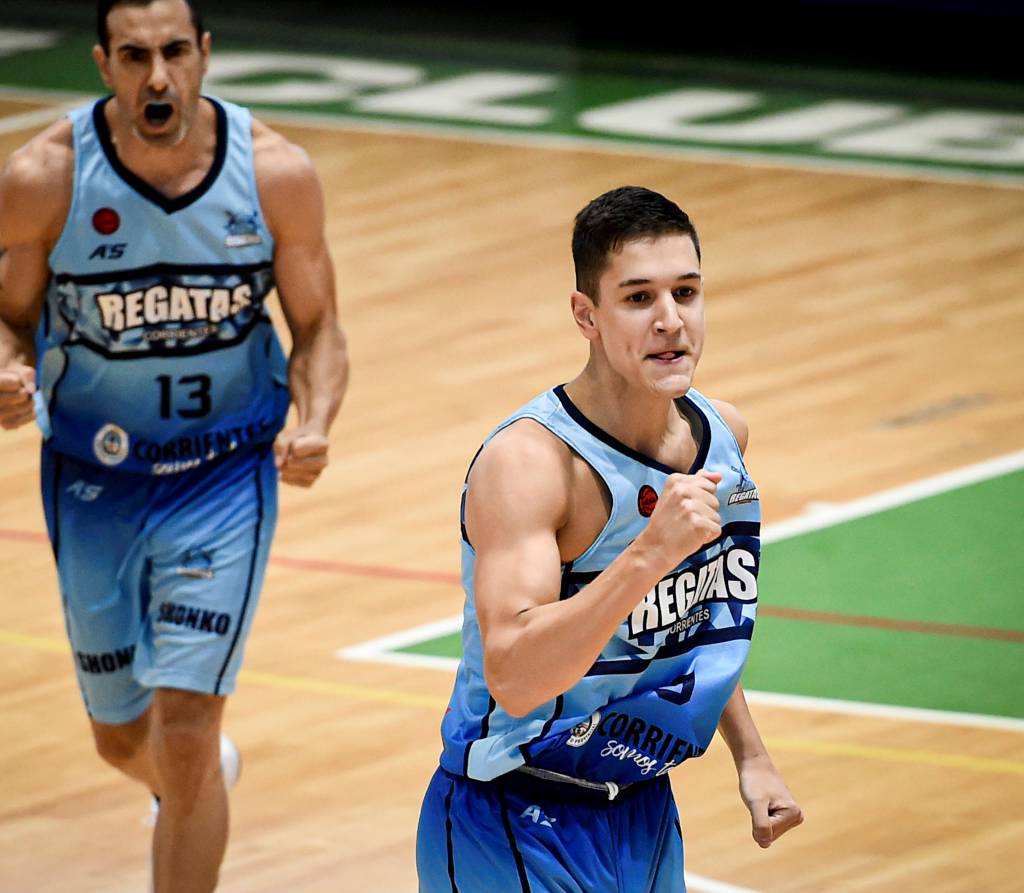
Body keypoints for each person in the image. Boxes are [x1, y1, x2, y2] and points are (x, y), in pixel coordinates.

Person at [0, 1, 348, 890]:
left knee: (188, 731)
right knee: (123, 737)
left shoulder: (275, 172)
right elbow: (8, 318)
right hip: (93, 477)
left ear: (203, 55)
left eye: (174, 52)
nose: (157, 76)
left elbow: (318, 328)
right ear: (102, 64)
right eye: (134, 56)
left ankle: (191, 790)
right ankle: (192, 787)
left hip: (224, 475)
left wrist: (314, 421)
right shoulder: (45, 176)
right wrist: (8, 370)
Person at [417, 186, 803, 892]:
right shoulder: (529, 465)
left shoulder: (723, 435)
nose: (670, 320)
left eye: (686, 292)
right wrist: (648, 555)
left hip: (642, 805)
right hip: (513, 812)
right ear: (586, 315)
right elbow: (515, 675)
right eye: (638, 298)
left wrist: (751, 755)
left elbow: (694, 626)